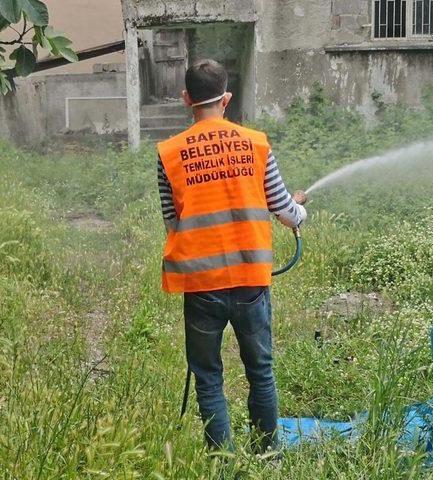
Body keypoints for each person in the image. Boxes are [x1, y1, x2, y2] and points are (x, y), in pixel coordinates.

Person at [156, 59, 307, 452]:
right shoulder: (257, 144)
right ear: (226, 98)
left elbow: (172, 222)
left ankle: (221, 462)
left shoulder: (169, 153)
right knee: (260, 372)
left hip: (201, 283)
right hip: (250, 282)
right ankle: (266, 453)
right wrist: (299, 209)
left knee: (208, 377)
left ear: (187, 99)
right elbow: (284, 210)